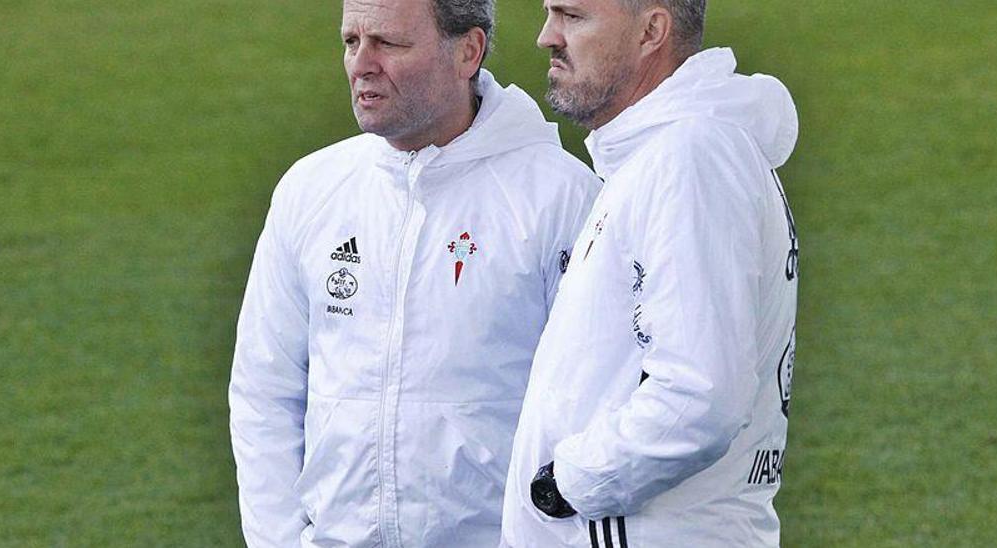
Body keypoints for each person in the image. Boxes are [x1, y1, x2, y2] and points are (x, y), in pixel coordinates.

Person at [228, 0, 600, 545]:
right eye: (351, 41)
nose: (361, 63)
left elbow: (592, 407)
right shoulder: (310, 190)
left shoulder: (562, 200)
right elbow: (265, 388)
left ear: (467, 52)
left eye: (389, 43)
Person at [500, 0, 799, 546]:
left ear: (651, 31)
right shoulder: (663, 154)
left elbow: (698, 397)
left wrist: (565, 484)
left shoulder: (690, 158)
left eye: (572, 16)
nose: (547, 36)